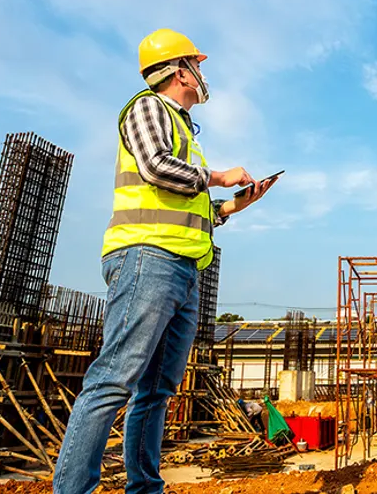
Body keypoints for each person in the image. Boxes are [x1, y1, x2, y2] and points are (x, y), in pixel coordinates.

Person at [53, 29, 274, 494]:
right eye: (198, 65)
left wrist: (235, 205)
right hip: (147, 259)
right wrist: (217, 175)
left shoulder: (186, 133)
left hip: (185, 268)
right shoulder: (148, 108)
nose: (203, 75)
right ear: (180, 71)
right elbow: (155, 166)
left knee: (155, 393)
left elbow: (191, 207)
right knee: (113, 380)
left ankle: (145, 489)